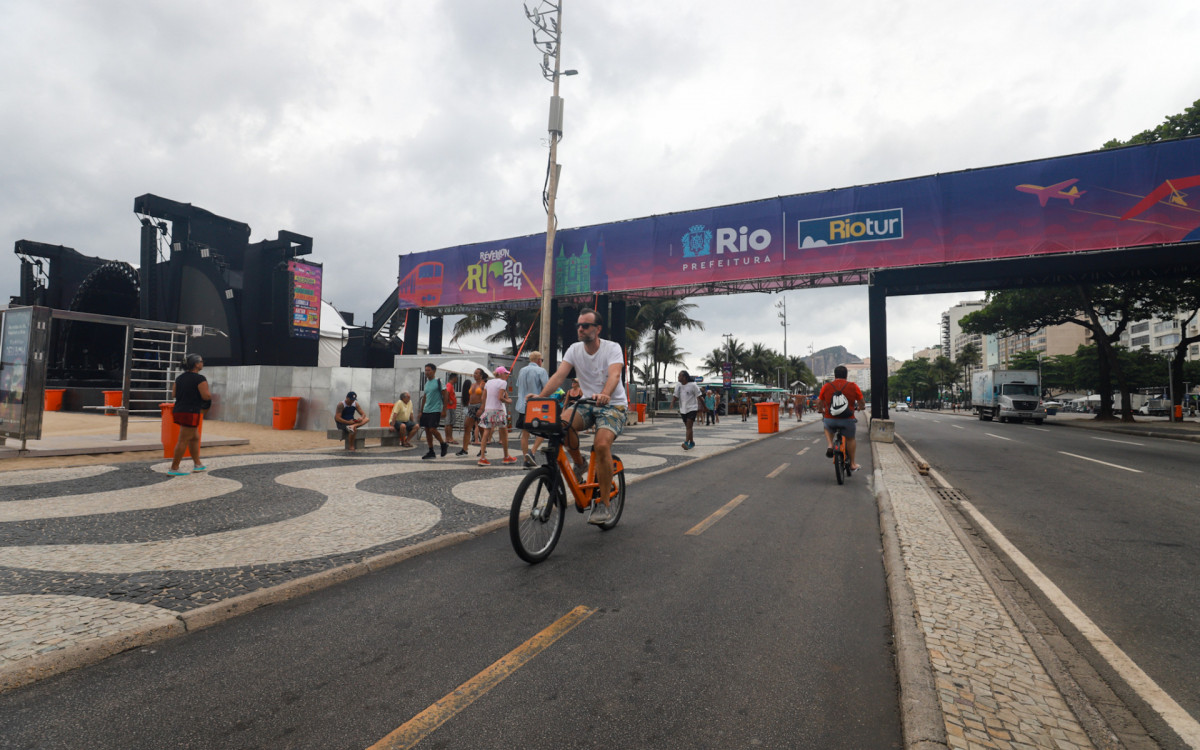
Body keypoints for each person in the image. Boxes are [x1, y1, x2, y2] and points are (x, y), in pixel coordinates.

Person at [538, 308, 627, 524]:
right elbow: (560, 375)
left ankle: (604, 504)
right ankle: (579, 464)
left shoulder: (612, 348)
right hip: (587, 403)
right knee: (561, 425)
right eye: (578, 325)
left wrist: (606, 394)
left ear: (597, 329)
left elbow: (615, 374)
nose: (580, 329)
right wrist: (540, 397)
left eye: (585, 325)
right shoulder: (574, 350)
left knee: (602, 445)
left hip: (612, 405)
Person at [168, 353, 212, 475]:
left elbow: (174, 394)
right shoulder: (200, 379)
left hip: (179, 410)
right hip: (191, 411)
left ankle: (197, 464)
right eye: (201, 361)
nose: (202, 363)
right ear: (196, 364)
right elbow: (206, 396)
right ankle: (174, 468)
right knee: (183, 439)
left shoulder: (179, 378)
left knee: (194, 437)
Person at [818, 365, 867, 472]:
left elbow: (819, 402)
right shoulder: (853, 386)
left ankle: (830, 444)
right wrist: (861, 407)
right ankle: (853, 464)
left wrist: (820, 410)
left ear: (835, 375)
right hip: (847, 420)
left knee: (827, 427)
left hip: (830, 419)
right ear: (846, 375)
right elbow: (862, 402)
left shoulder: (826, 386)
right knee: (850, 439)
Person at [514, 351, 549, 468]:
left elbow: (518, 386)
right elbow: (547, 387)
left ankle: (525, 458)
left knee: (525, 433)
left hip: (523, 405)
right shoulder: (541, 371)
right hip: (537, 405)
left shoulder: (522, 370)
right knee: (543, 430)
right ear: (539, 360)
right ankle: (532, 452)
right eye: (542, 360)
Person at [478, 366, 517, 465]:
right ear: (500, 374)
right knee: (504, 433)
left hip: (488, 409)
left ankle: (482, 458)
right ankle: (506, 456)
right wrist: (508, 400)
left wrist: (483, 408)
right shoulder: (503, 383)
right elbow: (500, 398)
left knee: (486, 432)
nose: (506, 375)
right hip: (498, 410)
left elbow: (483, 397)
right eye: (505, 373)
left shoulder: (489, 382)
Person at [418, 363, 450, 459]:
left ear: (434, 371)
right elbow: (425, 397)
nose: (427, 372)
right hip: (426, 410)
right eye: (426, 370)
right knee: (427, 430)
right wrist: (421, 410)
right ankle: (431, 450)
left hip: (436, 409)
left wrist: (444, 409)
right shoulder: (427, 383)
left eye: (429, 370)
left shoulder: (439, 381)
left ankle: (443, 444)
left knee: (432, 429)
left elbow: (445, 395)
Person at [458, 369, 487, 456]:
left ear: (481, 375)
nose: (474, 375)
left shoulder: (483, 384)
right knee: (467, 427)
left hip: (479, 406)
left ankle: (483, 449)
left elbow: (485, 397)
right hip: (471, 407)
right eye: (474, 373)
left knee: (481, 429)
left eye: (477, 373)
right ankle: (464, 449)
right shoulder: (473, 384)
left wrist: (482, 408)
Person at [671, 370, 700, 450]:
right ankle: (692, 442)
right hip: (683, 409)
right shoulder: (678, 385)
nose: (678, 377)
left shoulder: (693, 385)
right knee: (688, 427)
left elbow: (699, 396)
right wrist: (672, 402)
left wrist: (704, 407)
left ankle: (686, 442)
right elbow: (675, 395)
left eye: (680, 376)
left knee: (689, 426)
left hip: (692, 408)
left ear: (685, 377)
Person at [443, 373, 459, 446]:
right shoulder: (449, 385)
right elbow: (447, 392)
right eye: (456, 378)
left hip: (449, 407)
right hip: (450, 407)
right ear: (454, 378)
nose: (457, 379)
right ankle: (450, 438)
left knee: (447, 423)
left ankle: (447, 438)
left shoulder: (449, 385)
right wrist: (449, 400)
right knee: (450, 423)